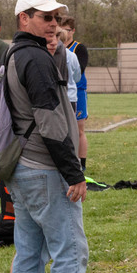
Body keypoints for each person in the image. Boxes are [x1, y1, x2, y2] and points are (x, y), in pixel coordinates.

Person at [4, 0, 115, 273]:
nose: (53, 23)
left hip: (22, 168)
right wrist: (74, 173)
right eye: (44, 16)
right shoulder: (34, 59)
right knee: (69, 253)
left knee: (29, 256)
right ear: (24, 18)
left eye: (55, 17)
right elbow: (51, 123)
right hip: (45, 169)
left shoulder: (17, 53)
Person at [60, 17, 89, 172]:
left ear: (73, 31)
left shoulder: (78, 48)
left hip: (77, 92)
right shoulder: (54, 47)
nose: (65, 33)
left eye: (68, 30)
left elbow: (79, 71)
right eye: (62, 29)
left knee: (78, 129)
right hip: (61, 93)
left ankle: (81, 163)